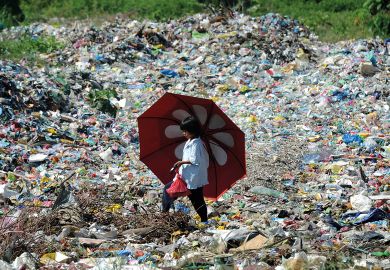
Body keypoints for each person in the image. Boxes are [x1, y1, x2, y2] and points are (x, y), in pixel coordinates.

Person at [162, 116, 209, 222]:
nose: (183, 133)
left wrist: (180, 162)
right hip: (188, 176)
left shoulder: (196, 143)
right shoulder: (191, 141)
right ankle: (164, 214)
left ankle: (164, 214)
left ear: (192, 130)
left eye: (185, 131)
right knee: (171, 191)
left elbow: (194, 159)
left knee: (196, 199)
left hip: (193, 178)